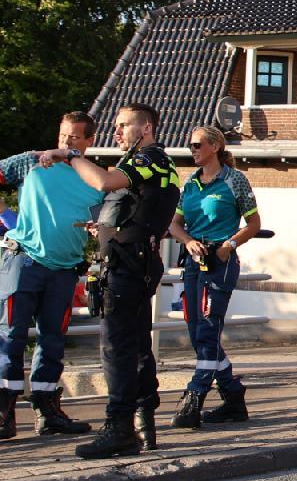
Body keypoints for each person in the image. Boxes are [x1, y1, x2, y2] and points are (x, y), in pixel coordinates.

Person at [38, 102, 181, 457]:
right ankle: (143, 422)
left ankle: (120, 427)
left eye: (123, 125)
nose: (117, 132)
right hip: (133, 259)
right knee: (136, 345)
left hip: (129, 265)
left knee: (116, 347)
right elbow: (139, 210)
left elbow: (104, 181)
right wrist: (103, 227)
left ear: (146, 128)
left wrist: (70, 154)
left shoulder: (150, 159)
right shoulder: (152, 165)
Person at [0, 111, 102, 442]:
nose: (65, 143)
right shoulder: (31, 162)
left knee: (53, 338)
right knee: (11, 335)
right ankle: (3, 414)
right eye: (62, 136)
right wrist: (5, 214)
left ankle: (47, 411)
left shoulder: (94, 178)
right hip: (24, 262)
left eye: (73, 138)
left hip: (65, 268)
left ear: (88, 142)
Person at [167, 126, 262, 430]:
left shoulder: (234, 180)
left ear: (215, 146)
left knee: (208, 329)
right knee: (196, 330)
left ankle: (195, 394)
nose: (192, 149)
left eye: (196, 145)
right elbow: (175, 224)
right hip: (195, 262)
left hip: (220, 262)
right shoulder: (190, 184)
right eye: (190, 145)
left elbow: (254, 223)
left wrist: (227, 246)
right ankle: (233, 397)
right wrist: (187, 241)